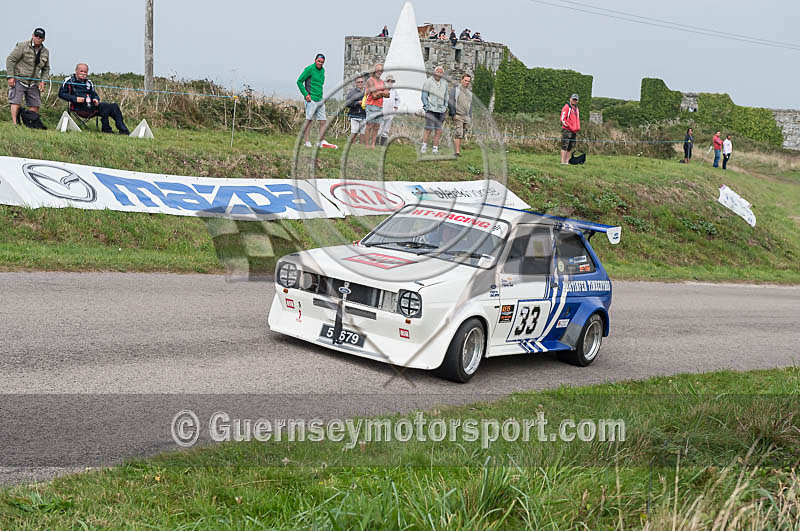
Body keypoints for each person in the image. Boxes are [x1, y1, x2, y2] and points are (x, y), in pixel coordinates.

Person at [58, 63, 130, 134]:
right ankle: (106, 129)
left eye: (85, 72)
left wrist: (96, 99)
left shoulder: (89, 82)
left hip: (91, 106)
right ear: (76, 71)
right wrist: (75, 99)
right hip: (79, 108)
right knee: (106, 108)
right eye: (81, 71)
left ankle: (123, 130)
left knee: (114, 106)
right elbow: (61, 94)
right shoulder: (68, 80)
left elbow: (94, 94)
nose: (83, 73)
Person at [6, 28, 50, 125]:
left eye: (40, 37)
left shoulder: (45, 52)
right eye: (36, 36)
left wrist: (43, 81)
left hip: (34, 82)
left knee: (35, 104)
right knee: (15, 102)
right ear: (33, 35)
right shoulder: (22, 46)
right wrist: (10, 76)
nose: (38, 38)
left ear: (44, 39)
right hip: (19, 79)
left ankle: (30, 124)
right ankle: (15, 124)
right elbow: (10, 59)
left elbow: (46, 68)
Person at [297, 53, 335, 148]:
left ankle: (320, 141)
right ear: (315, 60)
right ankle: (306, 141)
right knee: (309, 120)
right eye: (318, 61)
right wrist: (306, 95)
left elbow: (320, 85)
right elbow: (299, 81)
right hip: (311, 99)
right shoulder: (309, 69)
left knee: (323, 121)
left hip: (320, 98)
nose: (320, 63)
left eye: (322, 62)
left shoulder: (322, 71)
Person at [421, 66, 448, 154]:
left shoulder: (445, 83)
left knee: (438, 130)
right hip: (431, 109)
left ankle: (435, 148)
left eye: (441, 73)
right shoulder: (428, 82)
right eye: (438, 72)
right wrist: (426, 107)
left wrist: (445, 106)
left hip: (441, 110)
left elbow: (446, 96)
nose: (439, 74)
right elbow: (424, 95)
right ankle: (424, 147)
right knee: (428, 129)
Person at [364, 63, 390, 149]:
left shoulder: (382, 82)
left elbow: (388, 94)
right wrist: (383, 93)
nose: (380, 72)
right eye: (378, 70)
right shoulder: (370, 80)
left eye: (381, 70)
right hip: (371, 105)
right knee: (369, 125)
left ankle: (373, 145)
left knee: (376, 126)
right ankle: (367, 144)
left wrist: (380, 93)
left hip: (379, 106)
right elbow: (374, 96)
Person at [448, 73, 472, 157]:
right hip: (458, 115)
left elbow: (470, 104)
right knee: (459, 133)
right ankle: (457, 152)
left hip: (466, 116)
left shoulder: (469, 92)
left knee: (462, 134)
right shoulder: (455, 90)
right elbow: (450, 101)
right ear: (461, 80)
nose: (467, 82)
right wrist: (453, 114)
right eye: (465, 80)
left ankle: (456, 149)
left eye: (468, 81)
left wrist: (470, 115)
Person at [378, 74, 400, 145]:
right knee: (379, 128)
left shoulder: (394, 91)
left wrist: (396, 107)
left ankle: (383, 143)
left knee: (386, 129)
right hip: (381, 111)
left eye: (392, 81)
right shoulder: (381, 89)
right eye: (388, 81)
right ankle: (376, 143)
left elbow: (398, 99)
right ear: (385, 82)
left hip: (390, 112)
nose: (390, 82)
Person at [560, 94, 580, 164]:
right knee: (564, 146)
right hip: (566, 130)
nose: (574, 101)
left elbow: (577, 119)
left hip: (574, 131)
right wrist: (569, 126)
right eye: (573, 99)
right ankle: (562, 162)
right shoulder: (566, 107)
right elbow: (562, 119)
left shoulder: (576, 108)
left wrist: (577, 127)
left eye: (576, 100)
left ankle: (567, 162)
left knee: (570, 147)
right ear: (570, 99)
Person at [345, 76, 366, 145]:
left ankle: (361, 145)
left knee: (363, 131)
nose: (360, 83)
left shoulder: (366, 92)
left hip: (364, 114)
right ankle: (353, 145)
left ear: (363, 83)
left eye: (361, 82)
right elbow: (347, 103)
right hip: (354, 114)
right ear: (356, 83)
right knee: (354, 131)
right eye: (358, 82)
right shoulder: (352, 92)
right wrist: (357, 103)